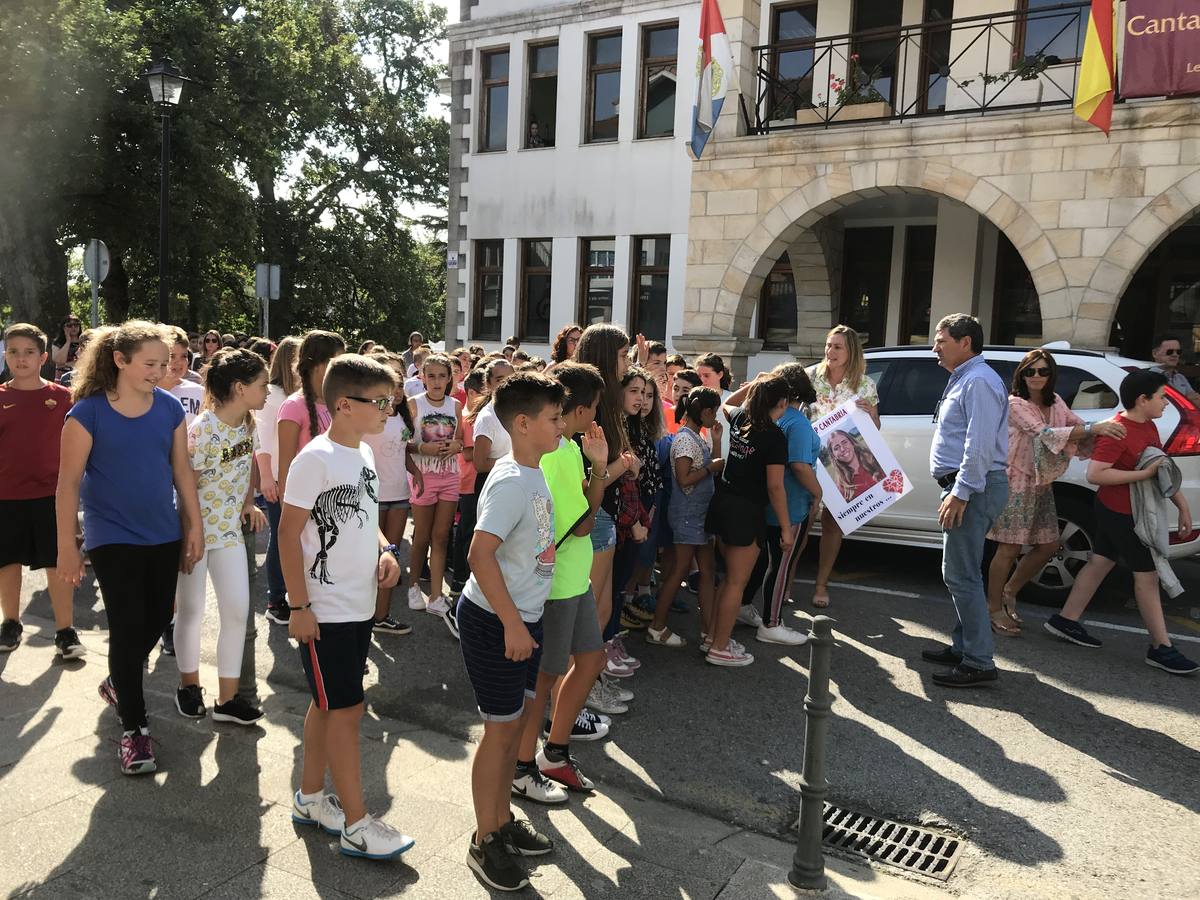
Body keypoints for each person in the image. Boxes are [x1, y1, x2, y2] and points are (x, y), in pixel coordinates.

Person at [280, 354, 414, 860]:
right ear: (343, 405)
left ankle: (310, 798)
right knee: (347, 711)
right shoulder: (314, 459)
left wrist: (385, 550)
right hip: (326, 609)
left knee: (328, 705)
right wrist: (298, 606)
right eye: (380, 402)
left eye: (391, 401)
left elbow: (365, 518)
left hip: (357, 607)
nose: (388, 411)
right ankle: (357, 824)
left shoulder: (361, 453)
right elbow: (288, 537)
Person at [56, 321, 204, 774]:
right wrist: (67, 545)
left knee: (160, 617)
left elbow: (182, 472)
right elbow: (68, 484)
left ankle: (120, 681)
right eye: (150, 364)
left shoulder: (168, 410)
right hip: (111, 535)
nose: (160, 372)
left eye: (165, 364)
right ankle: (135, 732)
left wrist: (193, 524)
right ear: (120, 360)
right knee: (126, 624)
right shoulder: (87, 413)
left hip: (163, 531)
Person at [457, 372, 564, 891]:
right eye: (553, 417)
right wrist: (513, 624)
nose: (561, 424)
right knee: (500, 734)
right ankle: (484, 839)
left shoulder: (534, 470)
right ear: (522, 424)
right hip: (499, 622)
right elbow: (479, 554)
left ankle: (500, 821)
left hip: (522, 619)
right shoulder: (510, 481)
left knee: (514, 728)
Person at [1045, 369, 1198, 674]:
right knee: (1148, 575)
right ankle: (1161, 648)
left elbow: (1160, 469)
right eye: (1162, 397)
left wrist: (1182, 507)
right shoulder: (1118, 430)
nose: (1166, 403)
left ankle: (1065, 620)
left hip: (1124, 510)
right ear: (1143, 400)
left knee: (1100, 562)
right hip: (1120, 512)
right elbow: (1096, 474)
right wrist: (1142, 475)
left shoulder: (1149, 427)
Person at [513, 361, 612, 802]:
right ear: (581, 408)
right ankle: (521, 765)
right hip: (554, 586)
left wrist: (600, 468)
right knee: (545, 679)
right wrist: (603, 472)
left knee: (590, 659)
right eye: (594, 407)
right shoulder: (559, 454)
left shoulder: (569, 449)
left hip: (573, 580)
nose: (596, 416)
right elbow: (584, 522)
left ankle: (554, 751)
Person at [986, 349, 1123, 635]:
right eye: (1030, 371)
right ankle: (993, 608)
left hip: (1042, 481)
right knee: (1008, 548)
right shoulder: (1015, 404)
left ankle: (1010, 590)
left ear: (1051, 375)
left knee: (1048, 545)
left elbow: (1075, 426)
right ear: (1021, 375)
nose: (1036, 376)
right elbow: (1045, 434)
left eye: (1043, 371)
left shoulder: (1057, 401)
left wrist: (1116, 429)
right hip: (1015, 481)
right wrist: (1095, 428)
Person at [173, 349, 269, 725]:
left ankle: (227, 700)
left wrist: (249, 503)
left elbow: (248, 468)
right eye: (262, 385)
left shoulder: (249, 424)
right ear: (240, 388)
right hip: (195, 534)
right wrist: (192, 533)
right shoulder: (203, 430)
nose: (266, 392)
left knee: (236, 611)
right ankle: (189, 686)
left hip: (229, 532)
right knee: (192, 611)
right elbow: (186, 487)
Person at [922, 314, 1009, 688]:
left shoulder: (978, 381)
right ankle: (965, 646)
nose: (935, 348)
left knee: (960, 574)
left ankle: (977, 660)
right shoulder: (966, 379)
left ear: (966, 343)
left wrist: (960, 492)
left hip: (972, 488)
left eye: (941, 341)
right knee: (963, 571)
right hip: (968, 486)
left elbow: (979, 445)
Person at [0, 324, 84, 658]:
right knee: (8, 562)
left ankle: (65, 631)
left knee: (58, 562)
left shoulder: (64, 397)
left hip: (53, 496)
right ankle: (10, 623)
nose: (20, 359)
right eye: (13, 352)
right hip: (6, 496)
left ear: (44, 357)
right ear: (5, 355)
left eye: (28, 352)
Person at [703, 377, 793, 668]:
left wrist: (753, 384)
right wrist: (786, 527)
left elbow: (727, 404)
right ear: (781, 404)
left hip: (723, 502)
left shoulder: (742, 416)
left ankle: (714, 637)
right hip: (746, 511)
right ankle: (719, 647)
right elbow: (775, 487)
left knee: (726, 578)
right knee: (735, 583)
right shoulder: (775, 435)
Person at [735, 364, 822, 646]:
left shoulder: (760, 415)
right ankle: (772, 623)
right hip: (790, 503)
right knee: (780, 564)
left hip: (766, 501)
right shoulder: (796, 421)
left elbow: (728, 406)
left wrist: (757, 384)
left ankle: (745, 606)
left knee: (763, 561)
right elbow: (799, 464)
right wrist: (818, 493)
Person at [574, 324, 638, 679]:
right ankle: (579, 692)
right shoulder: (591, 408)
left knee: (601, 610)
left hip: (606, 516)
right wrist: (625, 463)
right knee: (590, 616)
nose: (627, 364)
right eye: (623, 356)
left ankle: (588, 686)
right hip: (593, 516)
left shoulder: (607, 404)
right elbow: (589, 476)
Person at [805, 325, 880, 608]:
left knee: (832, 524)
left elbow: (874, 429)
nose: (830, 351)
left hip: (841, 467)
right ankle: (783, 582)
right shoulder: (811, 378)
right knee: (802, 522)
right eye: (828, 345)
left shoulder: (865, 385)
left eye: (837, 347)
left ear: (851, 352)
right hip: (809, 460)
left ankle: (821, 584)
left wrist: (871, 413)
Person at [648, 386, 724, 647]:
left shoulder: (696, 435)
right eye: (714, 412)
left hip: (700, 515)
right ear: (705, 411)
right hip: (688, 516)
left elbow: (708, 467)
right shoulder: (684, 440)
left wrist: (716, 442)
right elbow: (684, 479)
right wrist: (709, 468)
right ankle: (657, 626)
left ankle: (709, 630)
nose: (716, 417)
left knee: (708, 570)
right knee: (679, 570)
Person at [275, 330, 348, 596]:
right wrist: (289, 515)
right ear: (317, 363)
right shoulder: (293, 407)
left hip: (335, 511)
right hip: (306, 513)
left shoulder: (339, 404)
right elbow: (285, 468)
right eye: (336, 362)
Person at [363, 352, 421, 634]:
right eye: (392, 386)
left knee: (391, 556)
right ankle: (361, 619)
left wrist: (416, 472)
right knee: (367, 561)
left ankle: (381, 616)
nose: (397, 392)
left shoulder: (403, 416)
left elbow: (402, 453)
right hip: (371, 496)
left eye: (401, 386)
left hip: (399, 495)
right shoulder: (370, 414)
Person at [406, 353, 463, 629]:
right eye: (431, 376)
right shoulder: (414, 405)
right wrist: (422, 448)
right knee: (422, 536)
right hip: (423, 477)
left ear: (449, 378)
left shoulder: (456, 405)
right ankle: (414, 585)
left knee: (441, 537)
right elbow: (402, 443)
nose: (437, 381)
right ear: (423, 377)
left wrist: (457, 446)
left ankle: (437, 595)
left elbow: (460, 440)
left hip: (450, 476)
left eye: (442, 376)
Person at [256, 336, 302, 624]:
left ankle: (293, 593)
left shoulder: (300, 394)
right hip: (277, 476)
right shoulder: (271, 394)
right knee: (280, 536)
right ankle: (276, 598)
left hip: (299, 475)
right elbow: (260, 439)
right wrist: (267, 478)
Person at [450, 367, 486, 598]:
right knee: (467, 531)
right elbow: (470, 454)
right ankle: (459, 579)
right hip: (469, 482)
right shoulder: (470, 418)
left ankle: (459, 575)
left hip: (471, 482)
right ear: (472, 393)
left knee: (467, 530)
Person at [823, 430, 886, 501]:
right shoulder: (840, 488)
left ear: (852, 442)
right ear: (833, 455)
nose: (842, 449)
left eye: (844, 442)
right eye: (836, 448)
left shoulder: (877, 460)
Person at [161, 326, 204, 426]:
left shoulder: (200, 392)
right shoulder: (146, 392)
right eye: (172, 356)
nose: (178, 362)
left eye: (183, 356)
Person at [1148, 334, 1199, 404]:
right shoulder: (1148, 378)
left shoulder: (1180, 378)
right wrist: (1186, 399)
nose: (1175, 355)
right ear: (1155, 353)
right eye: (1170, 352)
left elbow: (1196, 400)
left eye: (1178, 352)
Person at [50, 315, 83, 380]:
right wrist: (68, 341)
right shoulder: (58, 343)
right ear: (63, 327)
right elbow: (59, 361)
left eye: (76, 325)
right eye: (69, 325)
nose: (73, 327)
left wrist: (66, 364)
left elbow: (87, 361)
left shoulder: (84, 342)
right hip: (61, 379)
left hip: (80, 378)